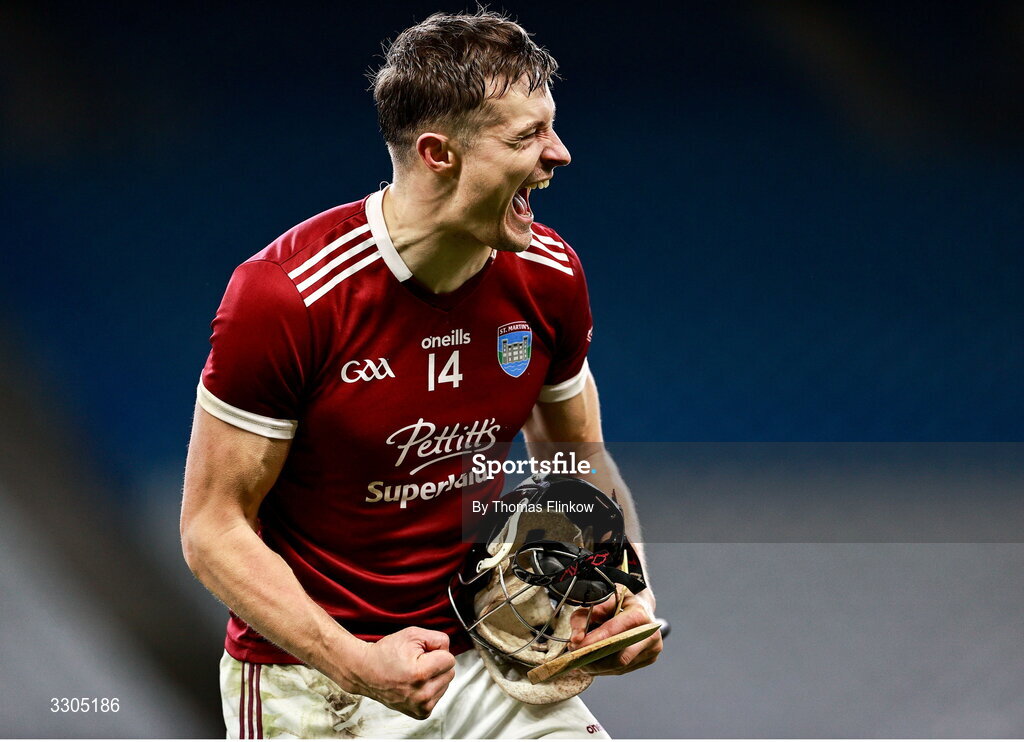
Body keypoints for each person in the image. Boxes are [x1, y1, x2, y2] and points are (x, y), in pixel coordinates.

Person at [180, 10, 662, 739]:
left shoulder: (549, 275)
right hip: (314, 681)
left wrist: (626, 594)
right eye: (525, 136)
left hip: (486, 659)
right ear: (439, 153)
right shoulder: (287, 297)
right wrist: (354, 661)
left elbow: (573, 459)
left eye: (551, 127)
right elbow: (212, 528)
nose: (558, 154)